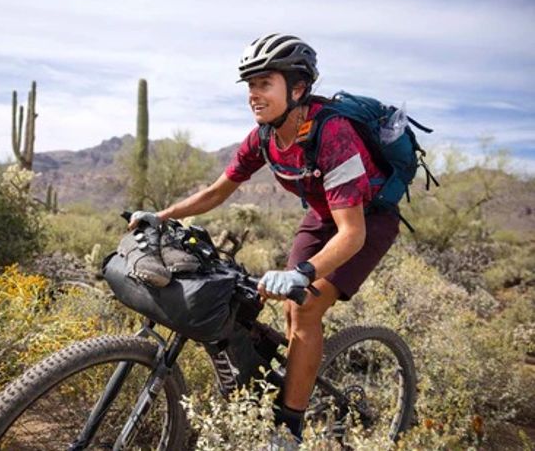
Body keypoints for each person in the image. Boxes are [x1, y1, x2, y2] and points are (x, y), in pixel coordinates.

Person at [128, 33, 399, 442]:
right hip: (323, 215)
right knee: (290, 309)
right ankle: (297, 379)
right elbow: (216, 192)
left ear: (298, 88)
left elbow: (351, 233)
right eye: (250, 85)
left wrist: (302, 273)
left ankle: (288, 431)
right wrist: (162, 216)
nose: (254, 94)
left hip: (367, 222)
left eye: (264, 83)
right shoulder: (264, 137)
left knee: (306, 306)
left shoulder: (333, 132)